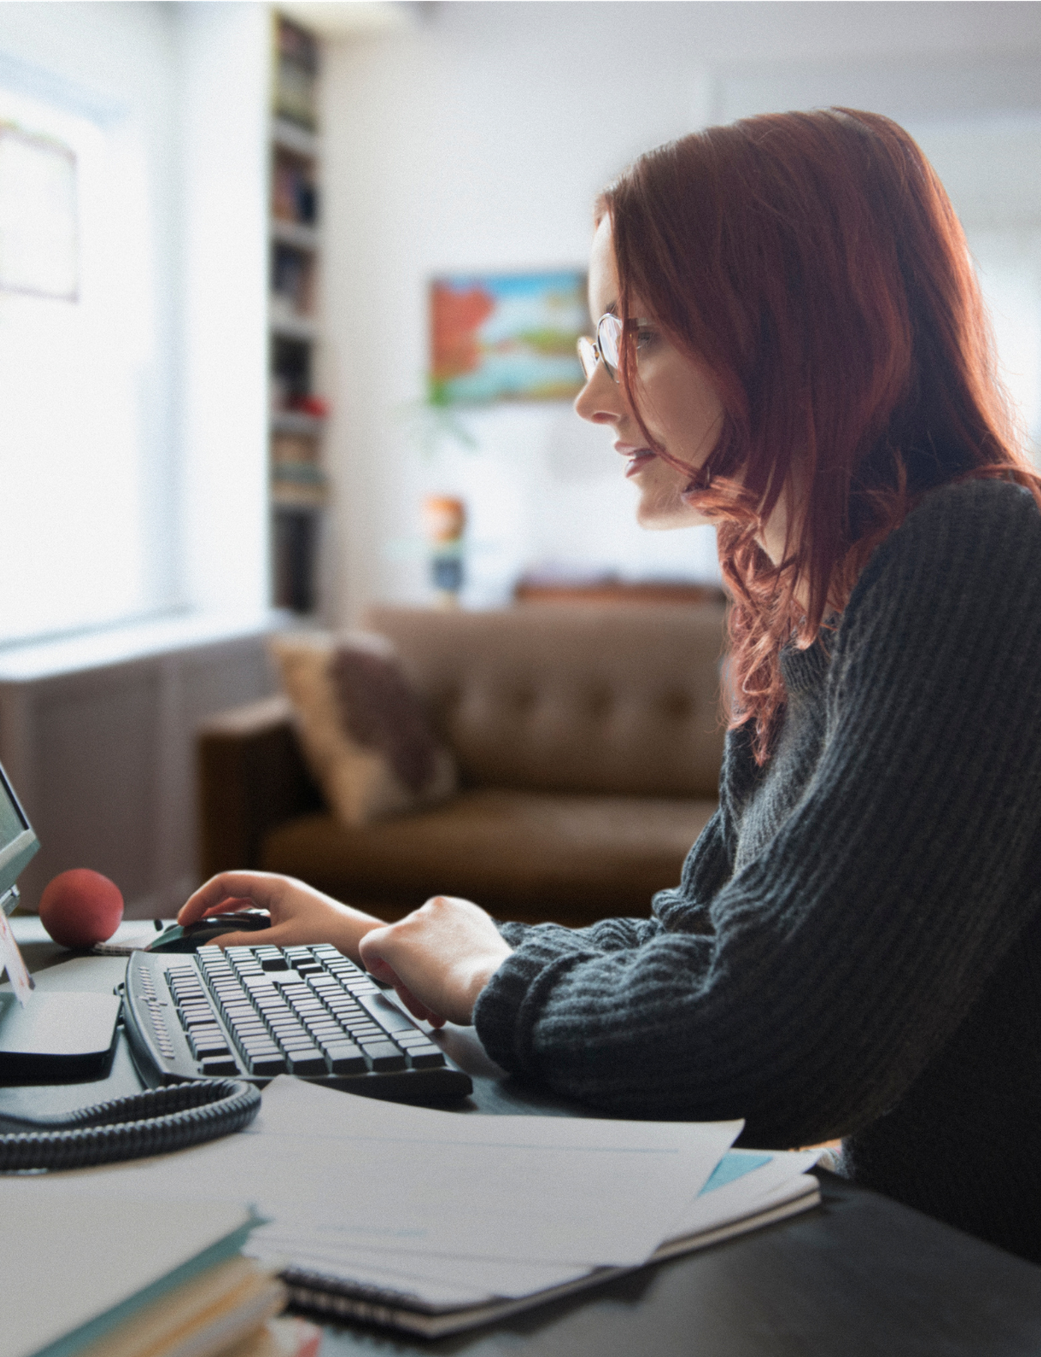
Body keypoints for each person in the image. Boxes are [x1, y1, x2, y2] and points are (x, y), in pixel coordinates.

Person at [180, 108, 1041, 1264]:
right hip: (899, 1237)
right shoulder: (810, 605)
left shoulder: (981, 553)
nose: (595, 398)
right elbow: (701, 938)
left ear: (799, 334)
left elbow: (772, 1044)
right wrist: (399, 948)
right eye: (601, 342)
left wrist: (485, 977)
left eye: (642, 338)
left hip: (979, 1284)